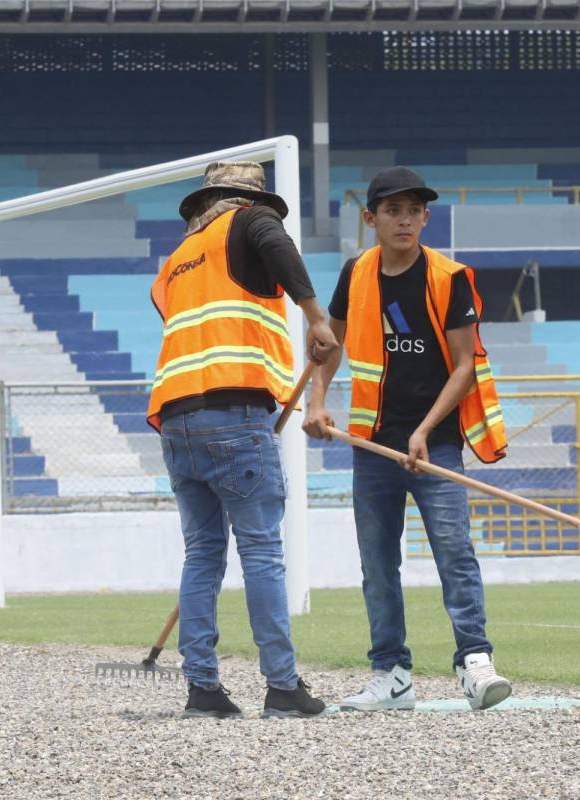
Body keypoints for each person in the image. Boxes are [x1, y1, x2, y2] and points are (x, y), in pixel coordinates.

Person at [303, 166, 511, 711]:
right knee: (377, 561)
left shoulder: (450, 277)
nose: (404, 220)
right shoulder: (356, 273)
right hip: (372, 444)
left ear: (425, 217)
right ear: (371, 218)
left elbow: (465, 365)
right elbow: (331, 347)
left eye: (414, 210)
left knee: (455, 552)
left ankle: (474, 661)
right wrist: (317, 401)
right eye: (392, 210)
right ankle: (391, 674)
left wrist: (422, 431)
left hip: (435, 441)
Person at [148, 161, 339, 719]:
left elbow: (175, 312)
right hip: (234, 409)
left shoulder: (179, 258)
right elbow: (272, 241)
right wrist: (315, 319)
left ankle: (202, 689)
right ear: (242, 198)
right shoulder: (250, 221)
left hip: (175, 416)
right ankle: (282, 687)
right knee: (260, 550)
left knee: (203, 553)